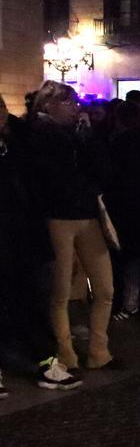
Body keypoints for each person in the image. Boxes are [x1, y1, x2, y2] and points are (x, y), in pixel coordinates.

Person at [26, 81, 116, 372]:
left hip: (87, 214)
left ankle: (99, 351)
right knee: (61, 290)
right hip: (58, 217)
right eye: (68, 102)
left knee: (104, 287)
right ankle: (66, 353)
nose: (75, 107)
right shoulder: (39, 136)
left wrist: (87, 139)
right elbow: (50, 177)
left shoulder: (79, 135)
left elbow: (101, 169)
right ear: (47, 105)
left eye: (75, 102)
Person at [0, 94, 69, 390]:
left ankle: (45, 359)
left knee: (29, 297)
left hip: (19, 234)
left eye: (1, 107)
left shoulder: (15, 144)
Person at [107, 100, 140, 323]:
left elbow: (113, 176)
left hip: (123, 206)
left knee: (125, 256)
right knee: (138, 257)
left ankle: (128, 302)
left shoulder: (116, 144)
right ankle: (137, 300)